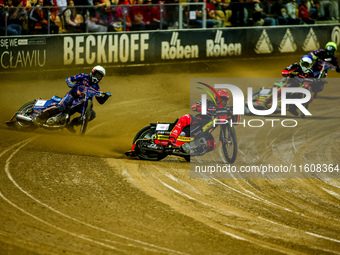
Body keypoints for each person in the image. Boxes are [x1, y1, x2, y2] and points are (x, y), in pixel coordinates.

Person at [34, 66, 112, 133]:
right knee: (61, 107)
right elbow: (69, 78)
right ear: (93, 72)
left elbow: (100, 101)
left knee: (92, 114)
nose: (97, 77)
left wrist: (106, 96)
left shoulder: (96, 87)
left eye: (99, 76)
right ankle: (40, 116)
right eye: (96, 74)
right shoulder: (83, 76)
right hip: (72, 95)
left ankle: (72, 124)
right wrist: (70, 83)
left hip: (81, 103)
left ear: (101, 78)